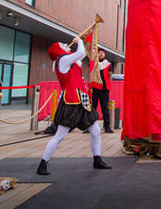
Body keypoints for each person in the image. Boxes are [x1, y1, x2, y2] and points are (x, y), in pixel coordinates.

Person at [37, 37, 111, 175]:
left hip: (82, 100)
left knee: (95, 131)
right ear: (57, 50)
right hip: (71, 102)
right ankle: (43, 164)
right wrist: (80, 42)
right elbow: (81, 53)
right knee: (59, 136)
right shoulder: (62, 60)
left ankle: (97, 159)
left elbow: (79, 58)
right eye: (62, 44)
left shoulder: (68, 60)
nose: (65, 44)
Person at [89, 49, 114, 133]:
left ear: (105, 55)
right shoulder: (94, 63)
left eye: (103, 53)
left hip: (104, 89)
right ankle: (90, 126)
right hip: (95, 88)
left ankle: (107, 127)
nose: (101, 54)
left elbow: (110, 76)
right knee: (93, 108)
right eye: (99, 52)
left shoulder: (108, 64)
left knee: (105, 108)